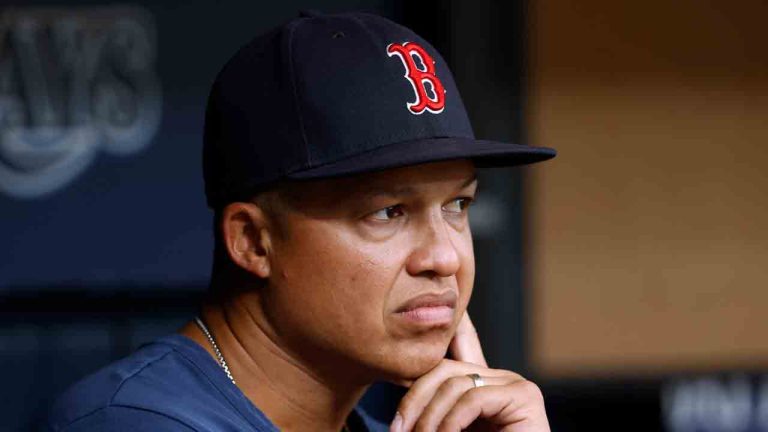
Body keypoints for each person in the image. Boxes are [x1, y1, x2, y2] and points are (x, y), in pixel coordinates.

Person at [45, 10, 556, 432]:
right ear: (253, 241)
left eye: (457, 206)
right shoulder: (134, 421)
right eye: (387, 212)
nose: (444, 257)